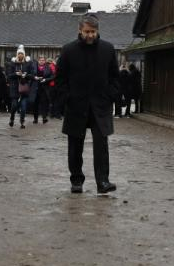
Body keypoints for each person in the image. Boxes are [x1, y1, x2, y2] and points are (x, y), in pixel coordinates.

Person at [55, 13, 120, 195]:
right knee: (75, 146)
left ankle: (103, 181)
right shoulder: (68, 50)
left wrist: (110, 95)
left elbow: (115, 76)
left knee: (102, 146)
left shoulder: (108, 49)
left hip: (101, 106)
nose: (90, 35)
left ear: (97, 31)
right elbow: (60, 79)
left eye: (93, 31)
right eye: (86, 31)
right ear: (80, 30)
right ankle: (76, 181)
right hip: (76, 105)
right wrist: (67, 97)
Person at [7, 45, 34, 129]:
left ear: (24, 55)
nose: (20, 55)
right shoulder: (13, 63)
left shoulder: (28, 63)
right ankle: (12, 118)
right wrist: (16, 74)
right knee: (14, 105)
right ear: (17, 55)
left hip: (24, 87)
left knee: (23, 107)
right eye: (19, 54)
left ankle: (22, 122)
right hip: (15, 87)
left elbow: (32, 75)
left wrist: (26, 75)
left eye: (22, 54)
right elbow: (8, 75)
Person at [32, 56, 54, 124]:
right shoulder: (34, 67)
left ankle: (44, 117)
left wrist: (45, 80)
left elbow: (53, 76)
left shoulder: (48, 67)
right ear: (38, 61)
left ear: (45, 61)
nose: (42, 61)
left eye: (43, 60)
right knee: (35, 104)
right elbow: (30, 75)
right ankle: (35, 118)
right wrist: (34, 77)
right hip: (35, 88)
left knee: (44, 103)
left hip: (44, 88)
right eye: (40, 60)